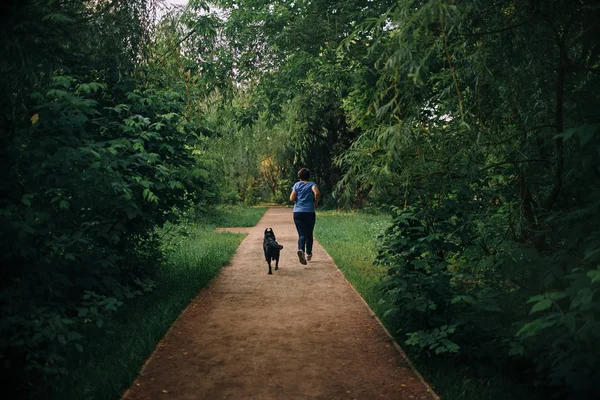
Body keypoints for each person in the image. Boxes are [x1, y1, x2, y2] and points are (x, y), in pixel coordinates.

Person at [290, 168, 320, 265]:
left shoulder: (296, 185)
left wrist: (297, 202)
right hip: (309, 212)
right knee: (309, 233)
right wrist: (316, 202)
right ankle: (309, 254)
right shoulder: (312, 184)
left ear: (300, 177)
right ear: (308, 176)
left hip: (298, 212)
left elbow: (291, 198)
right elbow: (317, 192)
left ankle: (301, 250)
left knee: (302, 234)